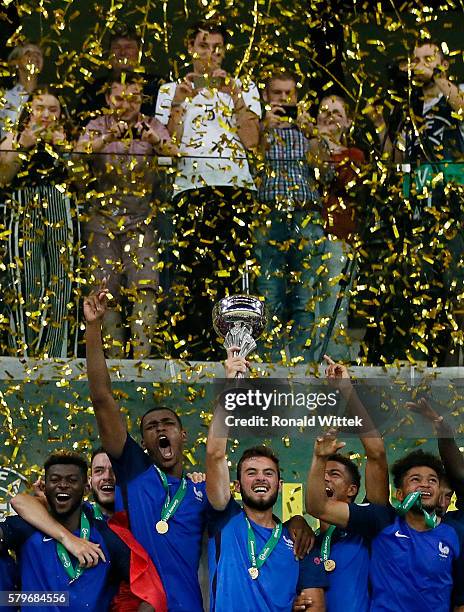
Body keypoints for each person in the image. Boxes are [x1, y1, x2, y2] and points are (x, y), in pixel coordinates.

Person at [155, 20, 261, 359]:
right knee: (195, 274)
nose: (211, 55)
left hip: (236, 190)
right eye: (203, 47)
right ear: (190, 48)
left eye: (217, 48)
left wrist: (236, 98)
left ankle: (238, 353)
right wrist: (178, 104)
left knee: (236, 273)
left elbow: (252, 142)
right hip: (191, 190)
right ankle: (196, 353)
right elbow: (165, 148)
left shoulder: (244, 86)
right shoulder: (171, 89)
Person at [206, 347, 327, 611]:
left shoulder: (298, 541)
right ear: (237, 486)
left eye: (268, 473)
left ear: (280, 486)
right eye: (251, 473)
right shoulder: (224, 519)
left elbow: (314, 604)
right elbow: (215, 453)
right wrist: (230, 383)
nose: (260, 478)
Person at [76, 72, 176, 358]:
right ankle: (116, 364)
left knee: (145, 288)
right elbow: (76, 152)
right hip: (102, 220)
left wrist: (155, 140)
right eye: (120, 98)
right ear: (108, 99)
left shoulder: (152, 124)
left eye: (133, 98)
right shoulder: (97, 125)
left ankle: (142, 362)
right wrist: (107, 137)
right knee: (106, 293)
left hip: (142, 220)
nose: (126, 104)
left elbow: (176, 153)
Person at [306, 434, 464, 612]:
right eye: (415, 480)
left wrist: (441, 427)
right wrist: (319, 458)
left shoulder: (454, 532)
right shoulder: (382, 521)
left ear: (439, 492)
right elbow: (318, 507)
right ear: (399, 494)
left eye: (432, 480)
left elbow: (461, 600)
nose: (425, 485)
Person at [11, 448, 167, 612]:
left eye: (72, 480)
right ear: (44, 487)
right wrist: (68, 539)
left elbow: (152, 594)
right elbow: (19, 501)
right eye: (55, 480)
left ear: (86, 487)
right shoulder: (27, 526)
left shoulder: (110, 535)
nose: (63, 485)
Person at [297, 356, 389, 612]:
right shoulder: (307, 541)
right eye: (321, 473)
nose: (325, 477)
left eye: (335, 474)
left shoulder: (370, 524)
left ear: (352, 490)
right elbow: (315, 506)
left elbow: (377, 455)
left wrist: (348, 391)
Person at [0, 87, 78, 357]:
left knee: (61, 279)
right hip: (23, 207)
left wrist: (65, 151)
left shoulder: (67, 138)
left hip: (60, 207)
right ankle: (22, 350)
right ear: (28, 111)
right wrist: (23, 146)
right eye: (40, 108)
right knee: (25, 279)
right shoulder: (14, 135)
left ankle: (56, 353)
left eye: (52, 110)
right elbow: (2, 177)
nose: (46, 115)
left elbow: (83, 180)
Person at [256, 70, 324, 362]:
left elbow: (324, 169)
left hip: (304, 215)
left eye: (289, 94)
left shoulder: (306, 128)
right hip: (270, 214)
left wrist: (312, 134)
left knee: (305, 297)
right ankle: (269, 368)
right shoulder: (260, 127)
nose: (284, 100)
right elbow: (248, 163)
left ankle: (303, 367)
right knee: (269, 296)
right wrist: (263, 131)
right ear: (265, 97)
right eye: (277, 94)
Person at [309, 95, 365, 361]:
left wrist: (327, 144)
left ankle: (334, 364)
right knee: (306, 304)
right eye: (324, 112)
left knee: (333, 304)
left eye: (337, 113)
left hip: (338, 236)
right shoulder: (305, 148)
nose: (330, 117)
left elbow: (347, 182)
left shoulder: (354, 154)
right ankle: (305, 363)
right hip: (305, 236)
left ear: (349, 122)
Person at [76, 24, 162, 124]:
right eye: (117, 47)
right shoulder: (94, 89)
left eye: (129, 47)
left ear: (139, 52)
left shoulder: (156, 86)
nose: (122, 53)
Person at [0, 43, 43, 139]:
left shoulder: (48, 97)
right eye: (28, 52)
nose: (35, 56)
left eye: (38, 54)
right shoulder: (5, 98)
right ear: (15, 62)